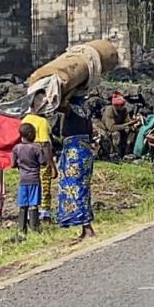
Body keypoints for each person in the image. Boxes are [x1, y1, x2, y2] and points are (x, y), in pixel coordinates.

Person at [57, 96, 96, 239]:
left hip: (74, 153)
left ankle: (87, 227)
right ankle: (86, 227)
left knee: (74, 189)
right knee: (82, 190)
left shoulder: (71, 108)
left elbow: (59, 105)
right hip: (84, 152)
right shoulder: (85, 110)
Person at [21, 90, 56, 223]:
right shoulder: (42, 122)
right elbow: (45, 144)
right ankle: (45, 214)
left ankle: (30, 214)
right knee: (45, 186)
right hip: (41, 159)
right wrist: (52, 165)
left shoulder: (25, 120)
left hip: (27, 161)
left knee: (30, 187)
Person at [11, 123, 46, 235]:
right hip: (34, 179)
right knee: (33, 204)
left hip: (23, 180)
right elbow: (43, 162)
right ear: (31, 134)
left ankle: (22, 229)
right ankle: (35, 227)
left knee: (23, 205)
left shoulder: (16, 148)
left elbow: (12, 164)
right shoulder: (36, 148)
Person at [100, 94, 140, 159]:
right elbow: (111, 128)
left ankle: (128, 152)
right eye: (118, 105)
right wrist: (126, 125)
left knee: (132, 131)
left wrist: (133, 124)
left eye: (122, 105)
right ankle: (116, 154)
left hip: (120, 127)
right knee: (116, 134)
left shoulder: (124, 110)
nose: (121, 106)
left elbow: (128, 120)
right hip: (108, 130)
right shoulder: (109, 110)